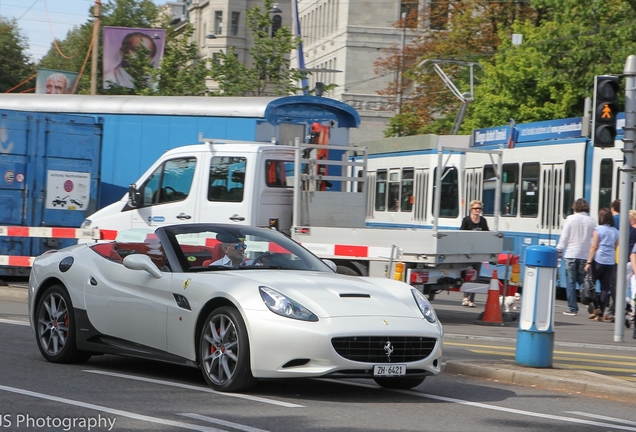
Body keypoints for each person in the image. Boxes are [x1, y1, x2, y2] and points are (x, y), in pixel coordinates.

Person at [556, 198, 596, 316]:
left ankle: (572, 308)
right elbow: (593, 239)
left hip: (571, 254)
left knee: (570, 282)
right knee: (584, 281)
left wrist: (559, 249)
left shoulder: (570, 219)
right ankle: (589, 301)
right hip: (584, 255)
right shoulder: (592, 221)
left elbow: (565, 236)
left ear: (575, 207)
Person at [585, 208, 619, 322]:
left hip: (598, 260)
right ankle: (600, 315)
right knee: (605, 288)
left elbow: (594, 247)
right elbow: (615, 246)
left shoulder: (598, 230)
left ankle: (596, 307)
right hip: (610, 262)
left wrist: (588, 262)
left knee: (591, 284)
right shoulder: (615, 231)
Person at [460, 200, 489, 307]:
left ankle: (471, 300)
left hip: (478, 252)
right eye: (476, 208)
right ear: (471, 209)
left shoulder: (483, 221)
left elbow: (487, 235)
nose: (478, 210)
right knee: (467, 275)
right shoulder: (466, 220)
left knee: (476, 276)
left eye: (479, 209)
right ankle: (465, 298)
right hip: (467, 253)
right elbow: (461, 234)